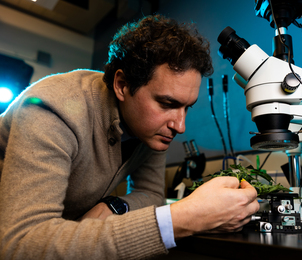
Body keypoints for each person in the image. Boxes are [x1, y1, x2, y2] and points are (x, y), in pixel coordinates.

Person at [0, 14, 260, 259]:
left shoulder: (150, 128)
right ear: (122, 85)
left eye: (186, 107)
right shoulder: (53, 109)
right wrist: (182, 218)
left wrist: (114, 205)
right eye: (167, 103)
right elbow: (21, 244)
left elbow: (151, 193)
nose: (180, 126)